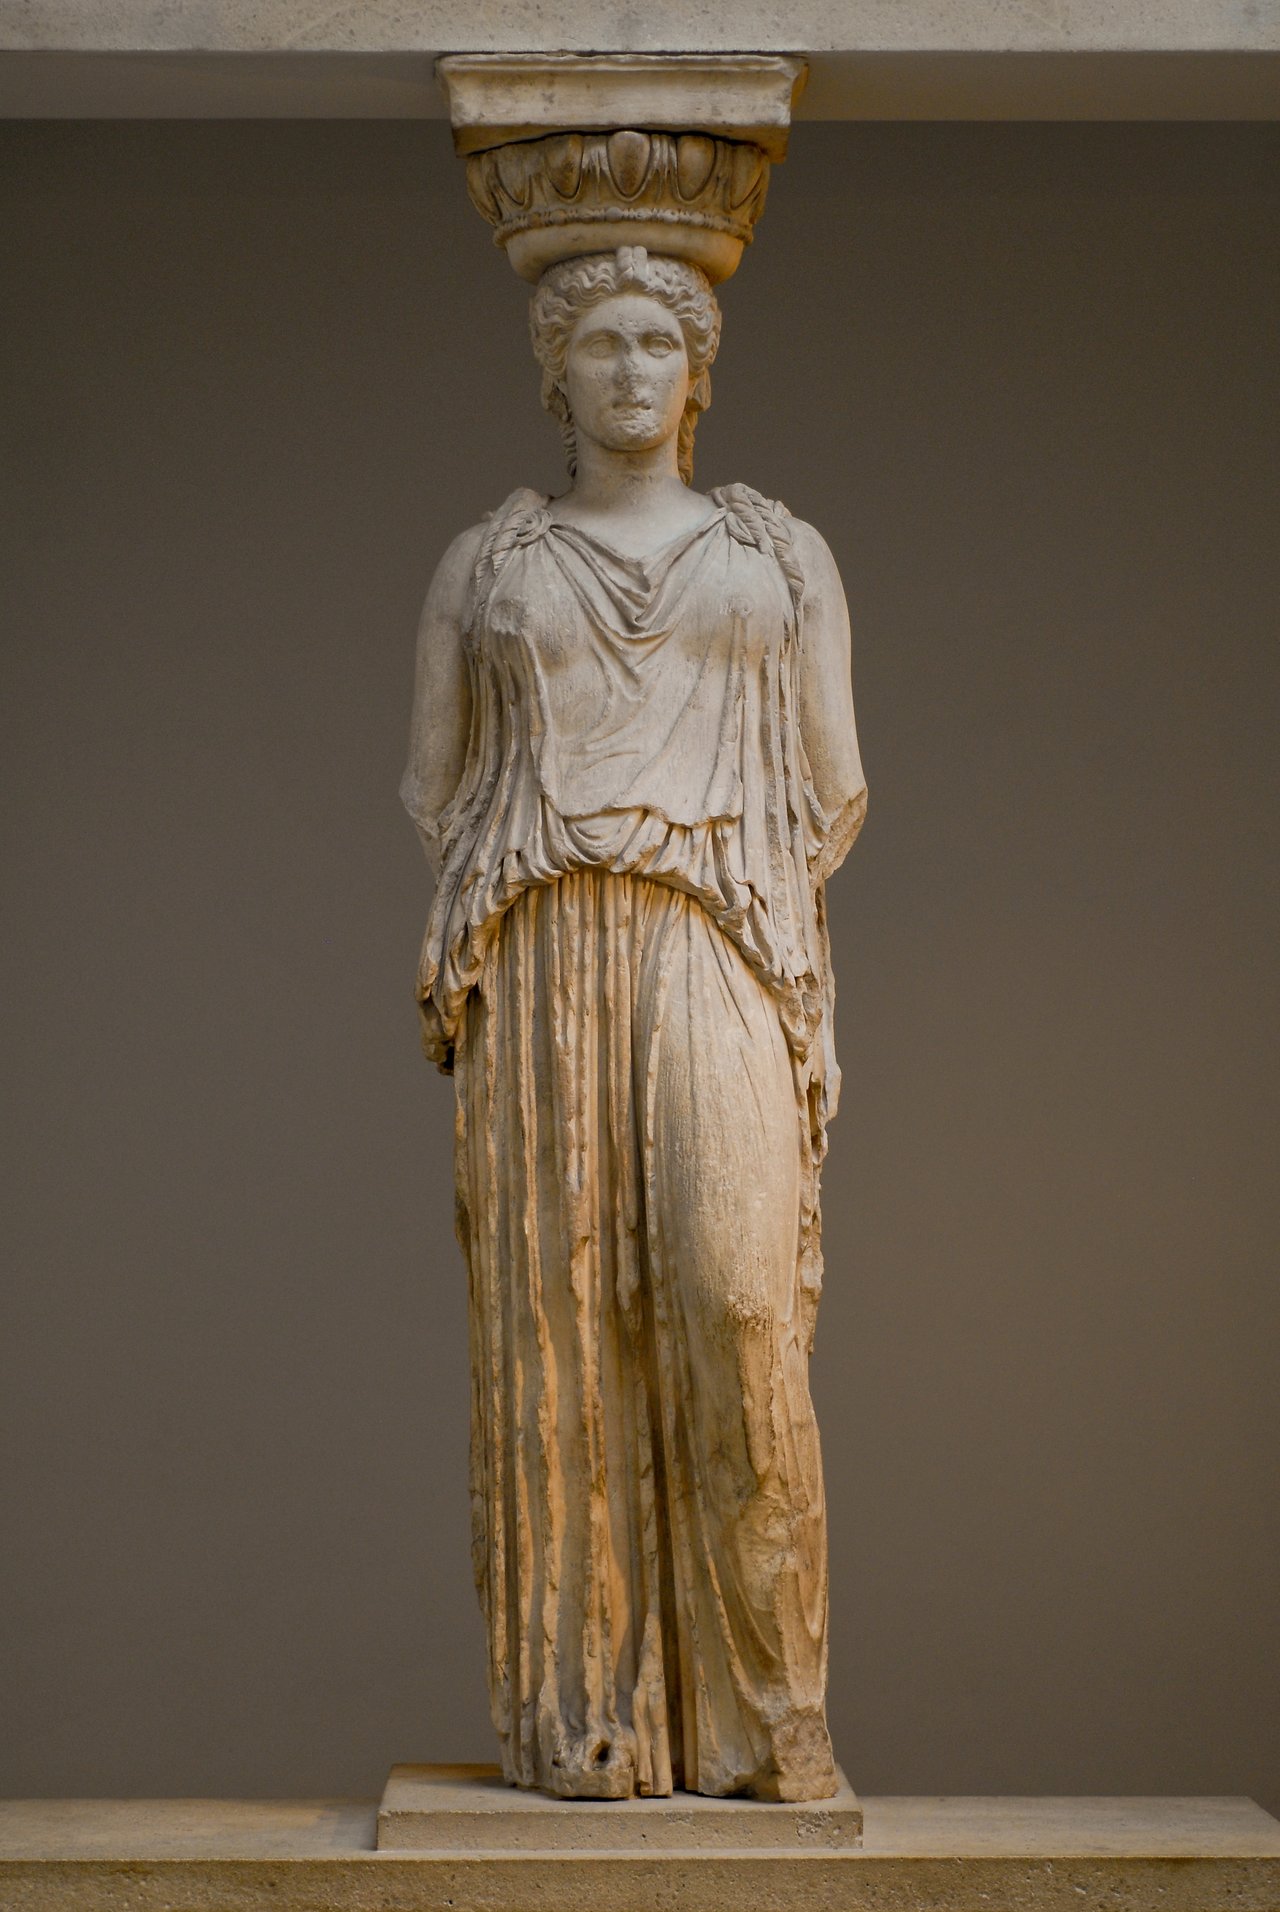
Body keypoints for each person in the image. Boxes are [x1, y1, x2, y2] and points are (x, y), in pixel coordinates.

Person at [402, 245, 866, 1802]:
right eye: (596, 340)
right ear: (554, 372)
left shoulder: (780, 558)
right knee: (563, 1322)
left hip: (719, 935)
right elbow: (434, 785)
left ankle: (766, 1717)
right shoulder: (486, 568)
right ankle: (583, 1718)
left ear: (701, 364)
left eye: (658, 337)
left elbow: (835, 781)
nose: (628, 367)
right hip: (542, 956)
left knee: (738, 1307)